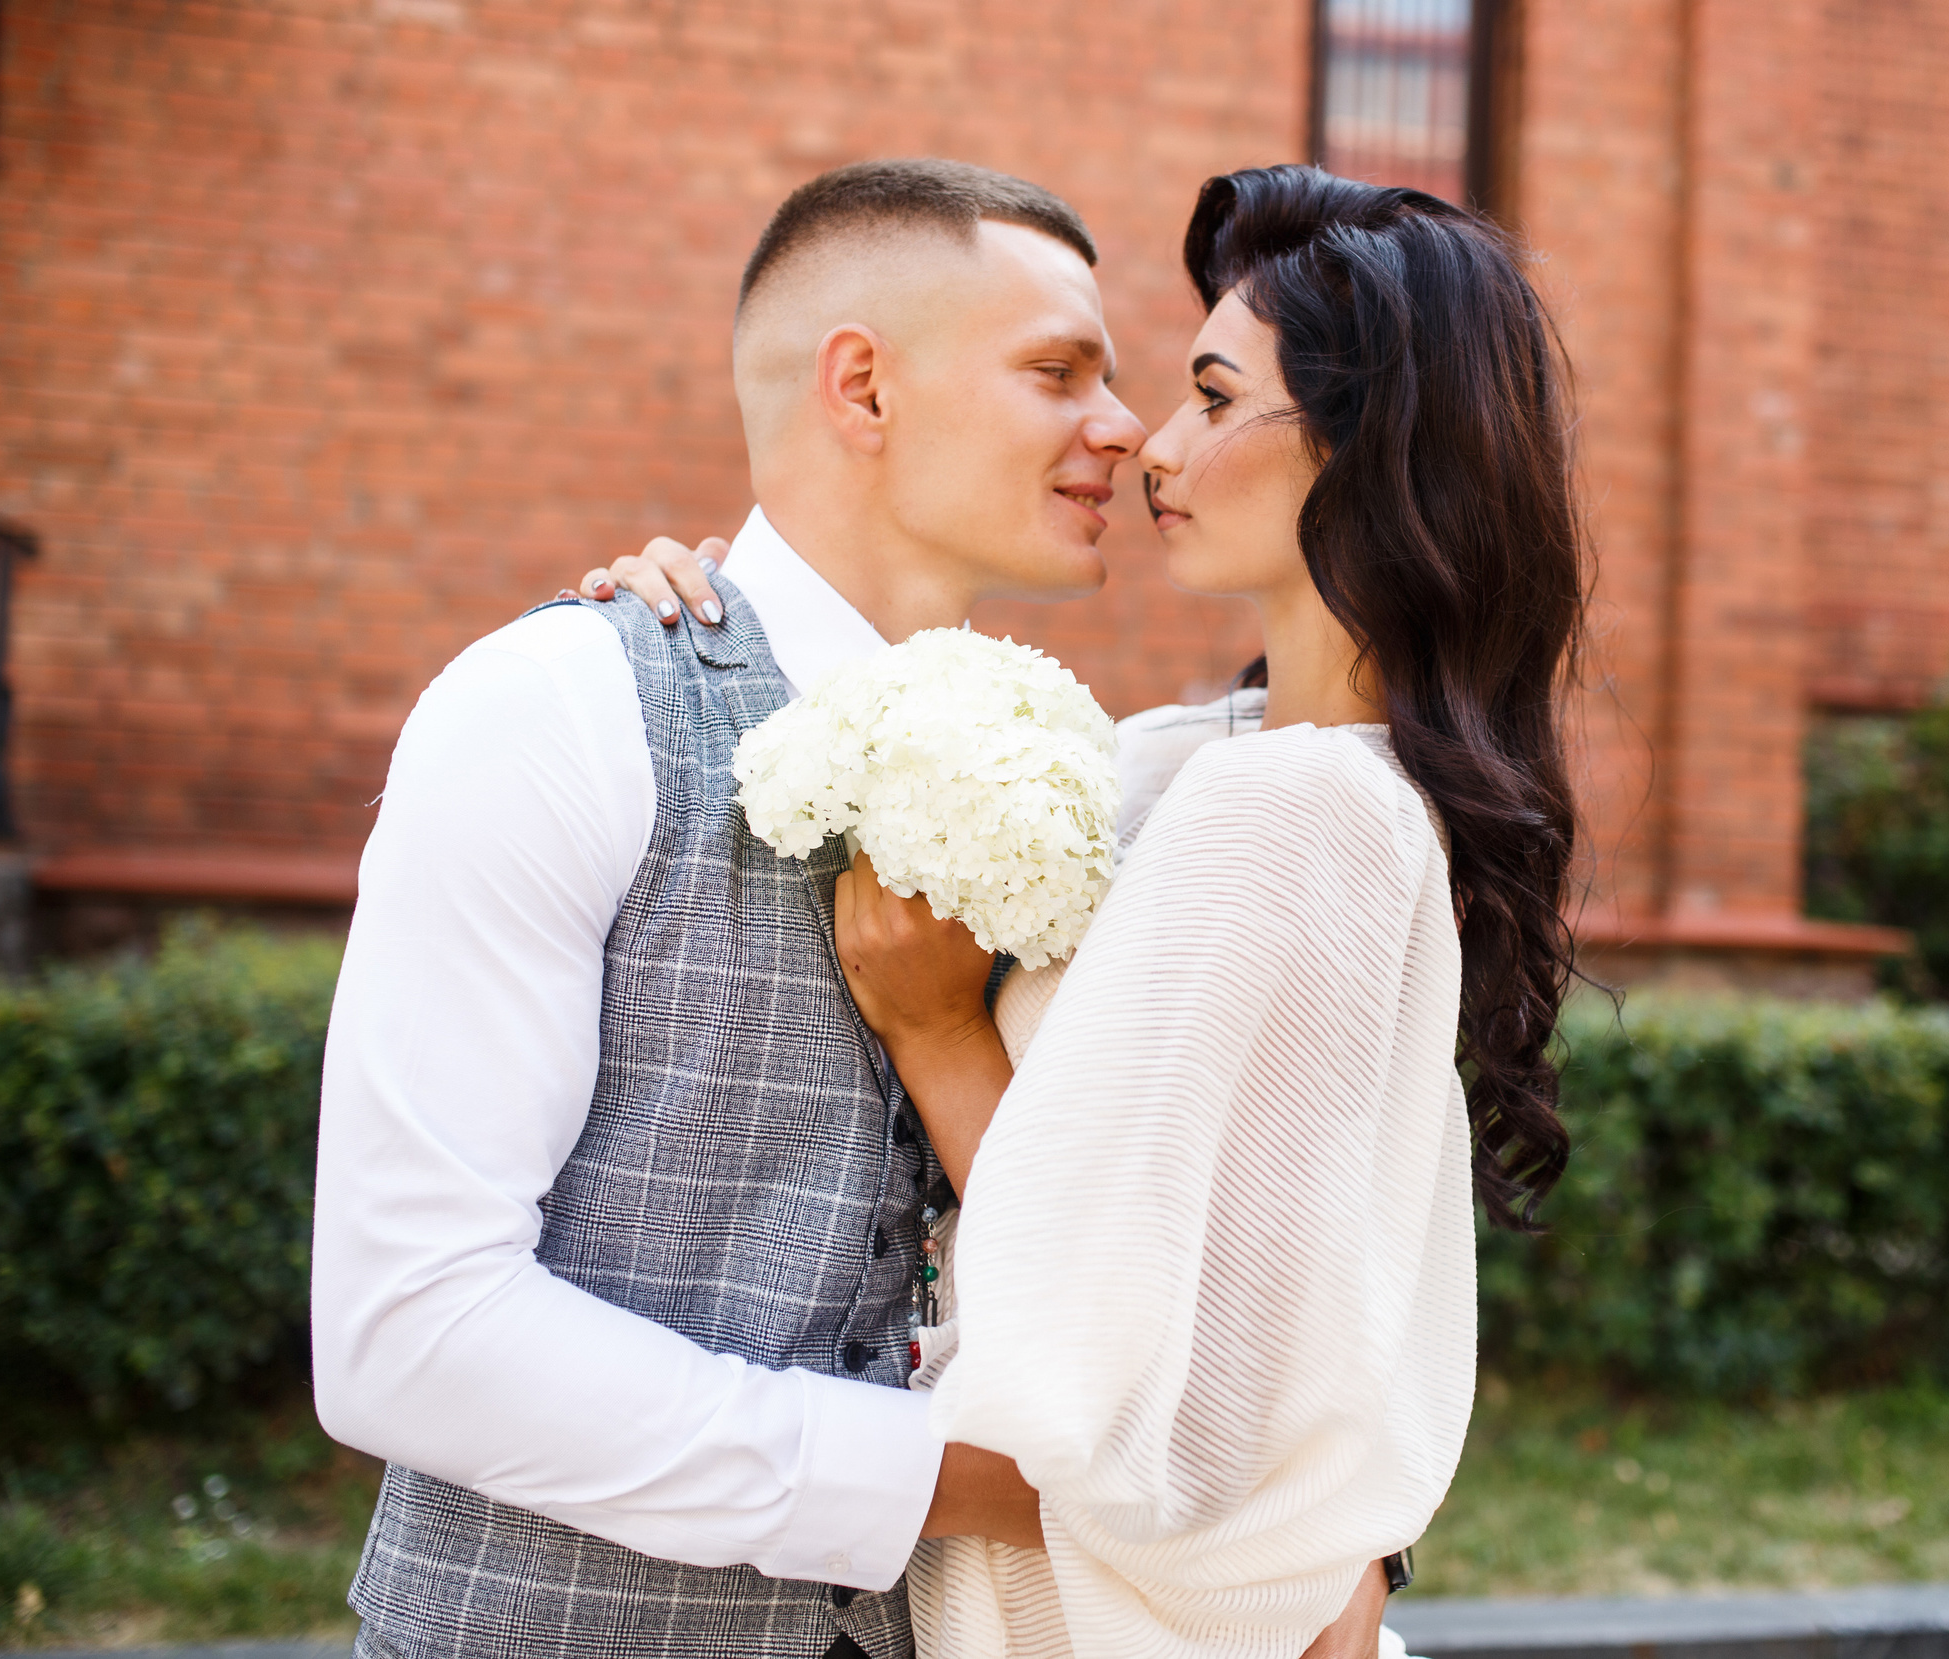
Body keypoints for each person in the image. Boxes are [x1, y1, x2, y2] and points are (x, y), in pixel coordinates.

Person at [315, 157, 1396, 1659]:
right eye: (1056, 371)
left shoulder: (1097, 787)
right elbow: (406, 1340)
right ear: (864, 388)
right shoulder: (553, 709)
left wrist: (1320, 1534)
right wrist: (942, 1484)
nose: (1123, 429)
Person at [582, 165, 1588, 1659]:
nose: (1152, 446)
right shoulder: (1224, 769)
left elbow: (1122, 1307)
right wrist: (712, 617)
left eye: (1209, 395)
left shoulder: (1283, 811)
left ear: (1361, 448)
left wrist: (933, 1029)